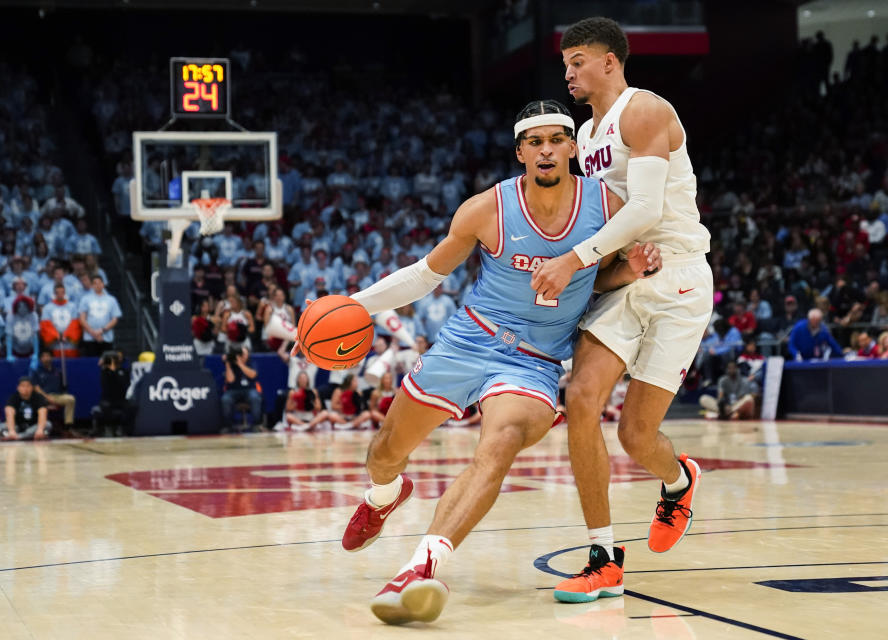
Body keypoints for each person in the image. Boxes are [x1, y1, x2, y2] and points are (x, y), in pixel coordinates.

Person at [302, 100, 661, 624]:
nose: (545, 150)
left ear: (573, 148)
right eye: (534, 142)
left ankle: (421, 567)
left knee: (499, 445)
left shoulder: (607, 207)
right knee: (384, 453)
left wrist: (627, 273)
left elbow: (595, 281)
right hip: (468, 341)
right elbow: (426, 275)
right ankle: (385, 494)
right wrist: (354, 305)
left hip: (533, 361)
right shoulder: (486, 208)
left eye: (556, 140)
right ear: (520, 152)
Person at [524, 20, 714, 603]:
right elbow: (603, 218)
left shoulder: (645, 110)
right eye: (565, 62)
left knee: (636, 435)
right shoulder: (584, 134)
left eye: (577, 60)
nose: (568, 72)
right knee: (580, 398)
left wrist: (572, 260)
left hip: (678, 275)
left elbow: (647, 208)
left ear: (610, 61)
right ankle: (603, 556)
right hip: (623, 276)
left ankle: (679, 480)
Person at [30, 350, 76, 430]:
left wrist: (61, 395)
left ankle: (68, 427)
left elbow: (63, 387)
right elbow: (36, 388)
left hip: (57, 396)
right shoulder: (37, 372)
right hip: (43, 397)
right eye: (44, 357)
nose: (46, 358)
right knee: (39, 401)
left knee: (71, 399)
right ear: (40, 359)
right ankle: (40, 427)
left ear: (51, 358)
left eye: (48, 356)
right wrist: (47, 398)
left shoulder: (58, 371)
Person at [78, 275, 122, 357]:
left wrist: (101, 331)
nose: (97, 285)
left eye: (99, 283)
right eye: (95, 283)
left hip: (106, 337)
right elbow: (82, 319)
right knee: (91, 364)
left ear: (103, 284)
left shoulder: (111, 300)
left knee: (107, 363)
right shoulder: (85, 299)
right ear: (92, 285)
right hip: (89, 338)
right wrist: (93, 333)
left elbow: (115, 319)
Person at [220, 345, 262, 432]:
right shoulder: (231, 363)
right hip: (233, 390)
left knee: (255, 397)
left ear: (248, 355)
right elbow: (230, 380)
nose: (242, 356)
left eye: (244, 354)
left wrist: (240, 364)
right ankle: (228, 426)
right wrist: (227, 364)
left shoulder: (251, 362)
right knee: (225, 399)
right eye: (240, 354)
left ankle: (256, 425)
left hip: (249, 389)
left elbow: (253, 375)